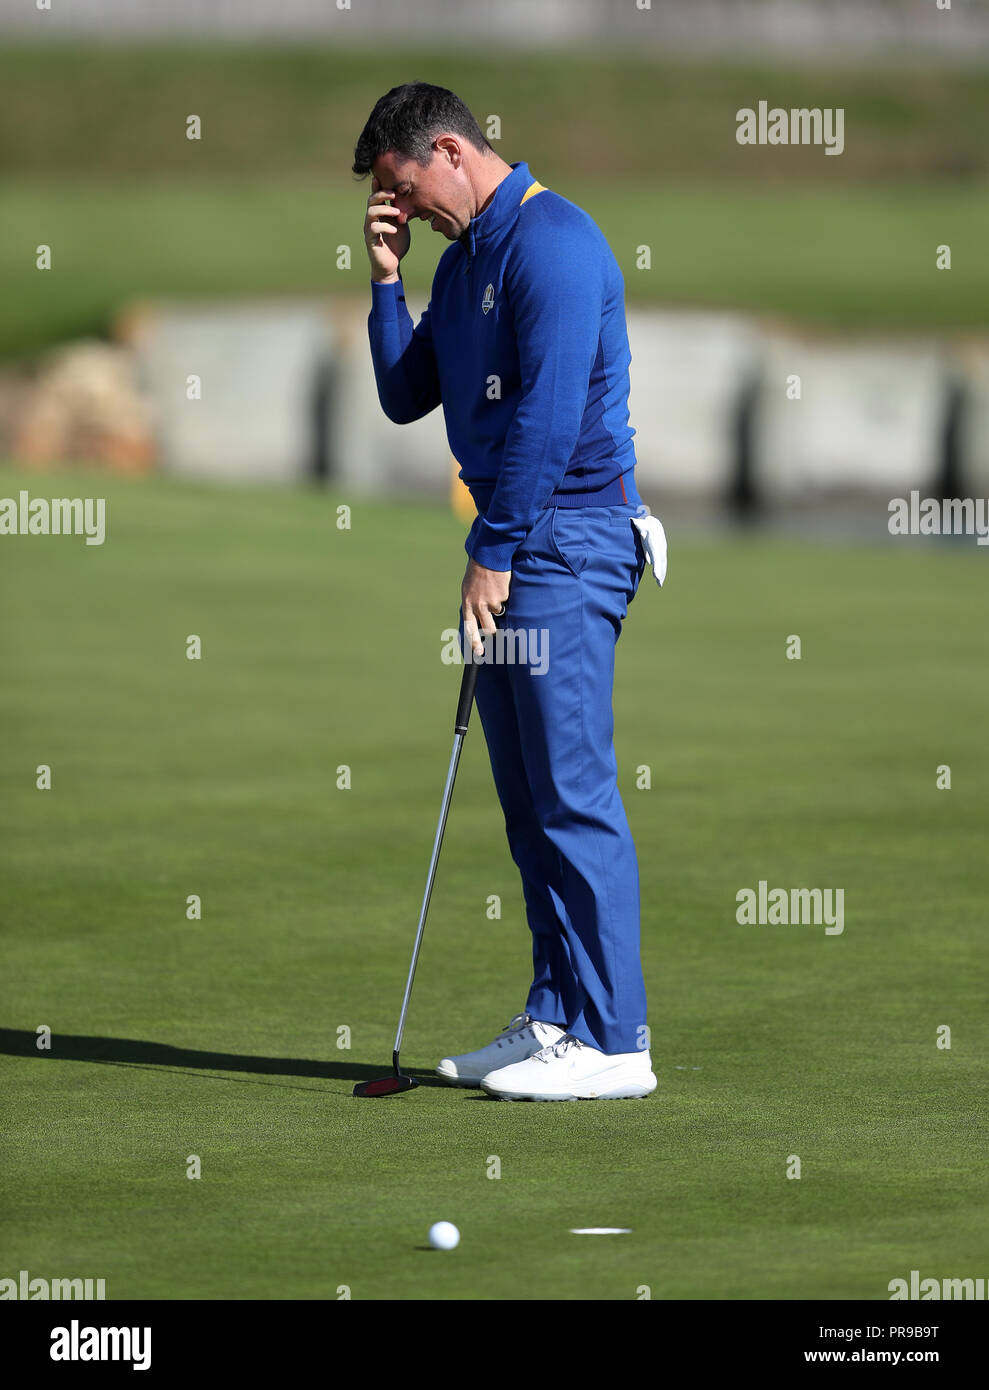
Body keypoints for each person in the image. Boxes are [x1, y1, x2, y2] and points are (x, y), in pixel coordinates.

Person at [354, 82, 664, 1101]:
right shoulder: (462, 261)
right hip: (513, 538)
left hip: (566, 539)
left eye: (408, 190)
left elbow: (546, 421)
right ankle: (553, 1017)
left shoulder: (554, 243)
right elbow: (406, 397)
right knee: (527, 803)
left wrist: (491, 548)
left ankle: (615, 1041)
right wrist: (388, 279)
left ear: (449, 149)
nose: (411, 210)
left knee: (570, 790)